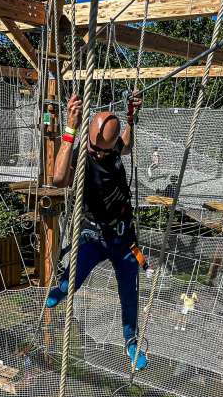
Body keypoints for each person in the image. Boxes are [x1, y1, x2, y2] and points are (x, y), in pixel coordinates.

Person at [46, 90, 147, 370]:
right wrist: (70, 128)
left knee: (129, 292)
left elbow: (126, 145)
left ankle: (130, 342)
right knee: (72, 279)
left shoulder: (113, 147)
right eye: (95, 148)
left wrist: (131, 117)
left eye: (104, 149)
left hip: (125, 238)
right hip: (94, 235)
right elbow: (57, 179)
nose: (99, 153)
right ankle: (63, 289)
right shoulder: (82, 155)